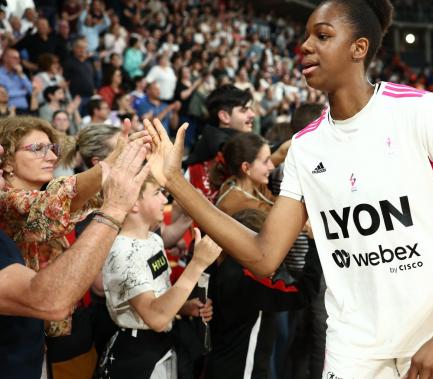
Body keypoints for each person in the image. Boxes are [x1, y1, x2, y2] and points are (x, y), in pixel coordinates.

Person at [145, 0, 433, 379]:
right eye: (307, 35)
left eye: (323, 35)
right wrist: (175, 181)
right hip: (353, 348)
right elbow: (264, 255)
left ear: (358, 48)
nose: (305, 46)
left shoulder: (417, 111)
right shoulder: (306, 147)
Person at [0, 139, 151, 379]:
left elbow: (68, 199)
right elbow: (50, 299)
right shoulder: (16, 207)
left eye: (52, 148)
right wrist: (114, 205)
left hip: (50, 342)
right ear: (8, 162)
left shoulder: (52, 206)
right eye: (37, 148)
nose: (51, 156)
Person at [99, 176, 221, 379]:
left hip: (163, 345)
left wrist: (183, 306)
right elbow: (154, 318)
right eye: (157, 193)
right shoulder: (122, 252)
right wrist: (197, 264)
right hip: (136, 355)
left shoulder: (154, 239)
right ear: (134, 203)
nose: (165, 200)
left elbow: (157, 298)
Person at [205, 208, 322, 379]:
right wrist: (314, 242)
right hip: (241, 371)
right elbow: (303, 295)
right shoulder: (248, 279)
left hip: (221, 364)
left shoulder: (223, 266)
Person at [184, 85, 255, 203]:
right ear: (224, 116)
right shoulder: (223, 152)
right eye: (244, 110)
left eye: (250, 109)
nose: (252, 114)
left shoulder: (204, 148)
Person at [214, 132, 276, 215]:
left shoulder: (254, 184)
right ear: (246, 168)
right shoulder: (240, 205)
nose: (272, 167)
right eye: (266, 161)